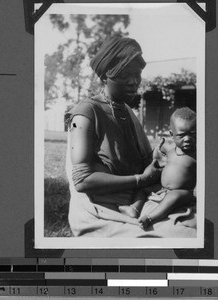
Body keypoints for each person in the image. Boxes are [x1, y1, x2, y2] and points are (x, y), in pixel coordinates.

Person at [66, 35, 197, 238]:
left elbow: (145, 161)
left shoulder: (126, 110)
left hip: (138, 199)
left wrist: (161, 159)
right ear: (104, 77)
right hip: (105, 208)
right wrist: (140, 179)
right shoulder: (86, 113)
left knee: (196, 220)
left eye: (137, 74)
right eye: (126, 74)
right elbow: (82, 181)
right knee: (182, 235)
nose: (134, 81)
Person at [122, 107, 196, 229]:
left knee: (174, 196)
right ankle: (134, 209)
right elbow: (158, 158)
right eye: (182, 135)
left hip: (183, 192)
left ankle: (150, 218)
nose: (188, 139)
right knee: (142, 189)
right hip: (162, 189)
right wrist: (157, 154)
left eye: (192, 134)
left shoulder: (196, 155)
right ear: (172, 135)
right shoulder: (170, 151)